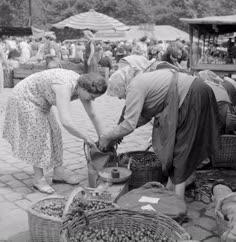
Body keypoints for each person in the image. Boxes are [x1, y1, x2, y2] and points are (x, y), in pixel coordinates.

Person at [98, 67, 221, 200]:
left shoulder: (134, 87)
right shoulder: (138, 82)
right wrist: (119, 134)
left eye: (118, 94)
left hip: (192, 95)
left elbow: (129, 124)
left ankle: (178, 201)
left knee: (181, 151)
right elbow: (143, 117)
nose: (120, 98)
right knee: (177, 148)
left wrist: (107, 137)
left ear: (121, 86)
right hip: (194, 93)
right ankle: (171, 189)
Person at [3, 68, 107, 194]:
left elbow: (93, 114)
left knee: (55, 132)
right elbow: (66, 122)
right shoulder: (64, 87)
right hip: (25, 98)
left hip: (41, 101)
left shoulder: (82, 87)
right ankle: (38, 178)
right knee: (40, 135)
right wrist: (86, 137)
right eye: (92, 96)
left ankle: (58, 172)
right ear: (83, 89)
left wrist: (103, 137)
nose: (93, 100)